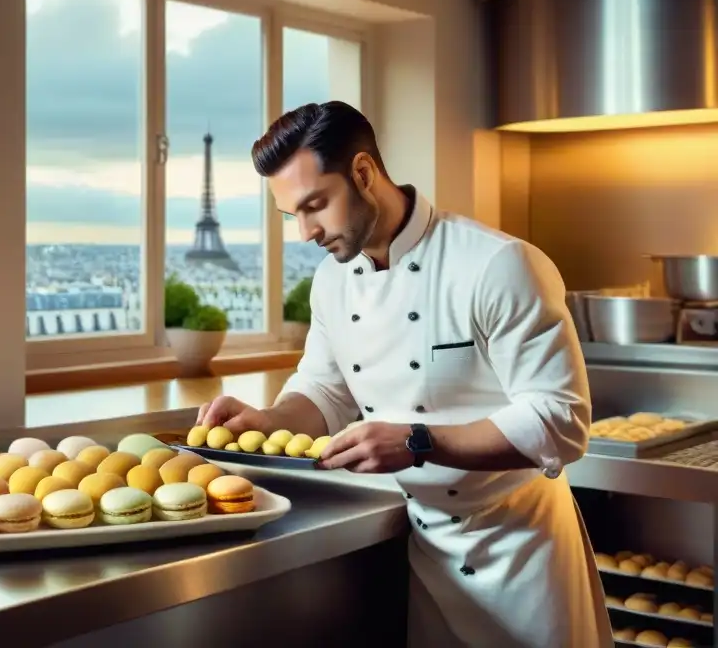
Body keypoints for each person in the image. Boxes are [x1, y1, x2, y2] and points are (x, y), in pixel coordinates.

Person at [198, 102, 612, 648]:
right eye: (290, 214)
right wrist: (268, 418)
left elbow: (561, 422)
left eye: (315, 205)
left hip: (521, 551)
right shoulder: (332, 282)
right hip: (428, 548)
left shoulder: (497, 264)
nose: (305, 232)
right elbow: (325, 389)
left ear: (364, 173)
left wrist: (418, 442)